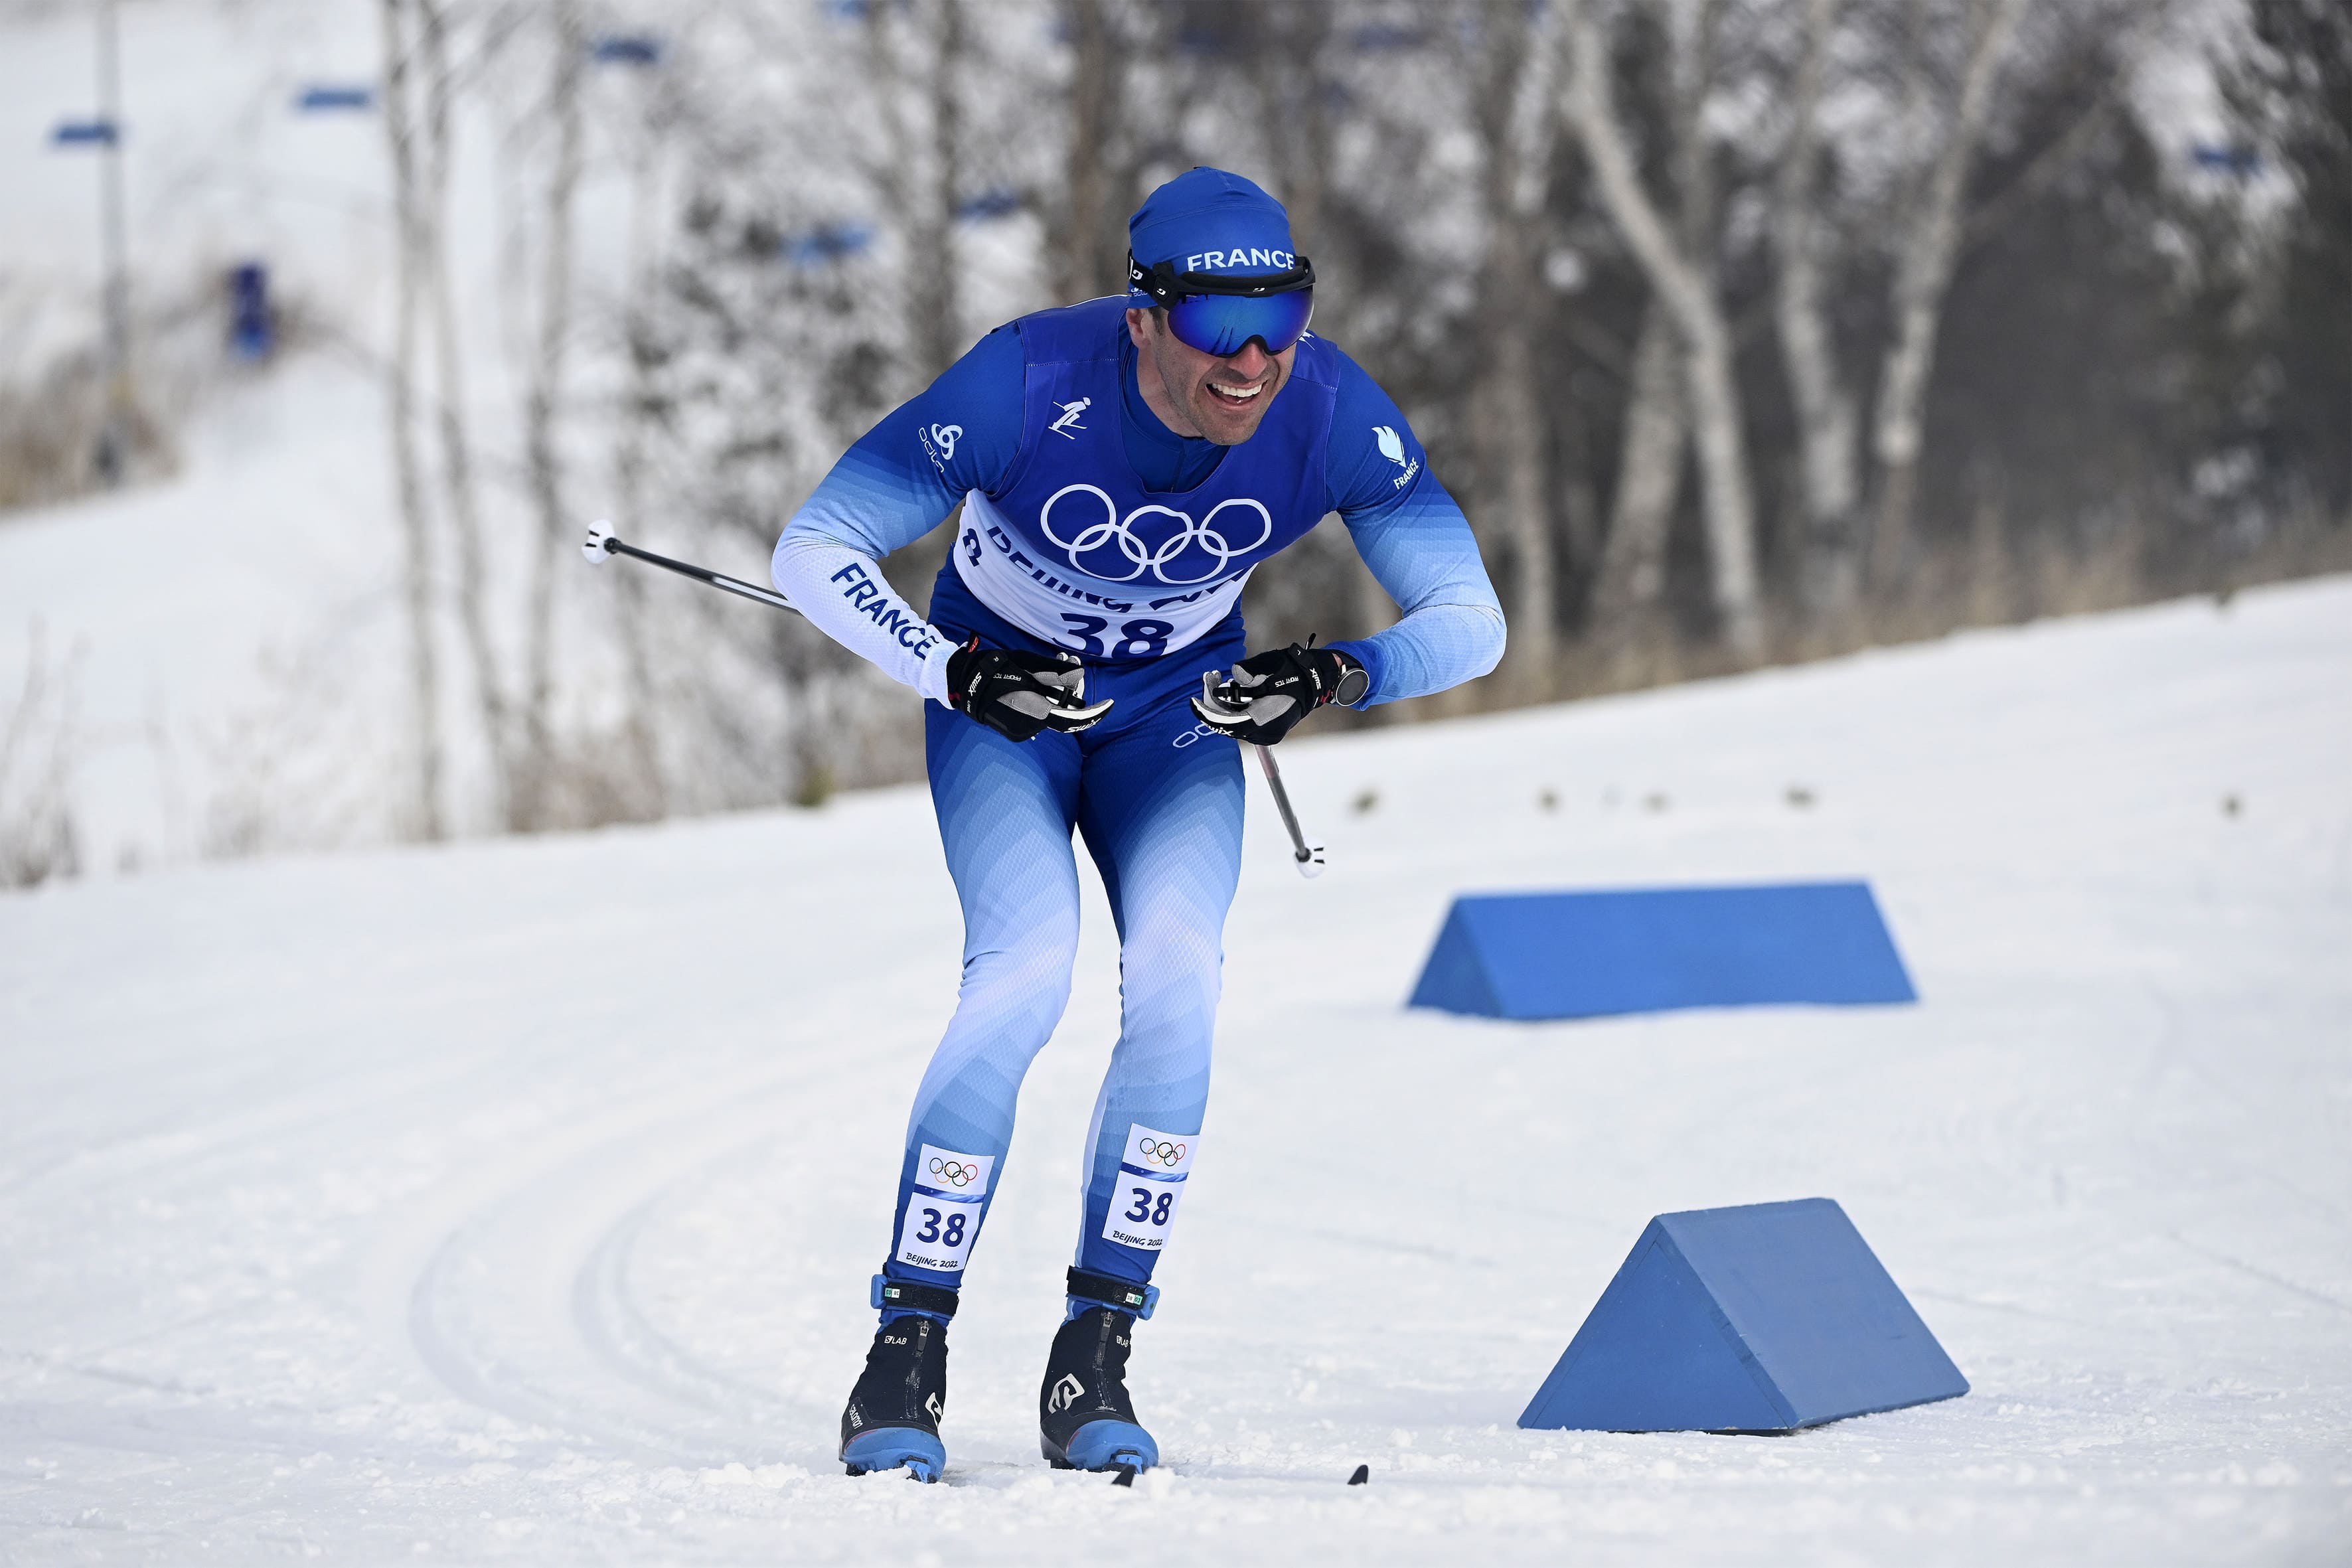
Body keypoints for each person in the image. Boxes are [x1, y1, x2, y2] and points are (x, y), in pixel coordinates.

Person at [771, 167, 1504, 1483]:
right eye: (1220, 330)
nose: (1253, 362)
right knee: (1021, 978)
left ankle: (1093, 1351)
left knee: (1177, 984)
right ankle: (905, 1346)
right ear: (1141, 318)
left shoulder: (1326, 408)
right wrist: (948, 668)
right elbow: (814, 549)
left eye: (1280, 320)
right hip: (1007, 712)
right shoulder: (1022, 381)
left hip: (1173, 726)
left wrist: (1337, 671)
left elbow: (1470, 623)